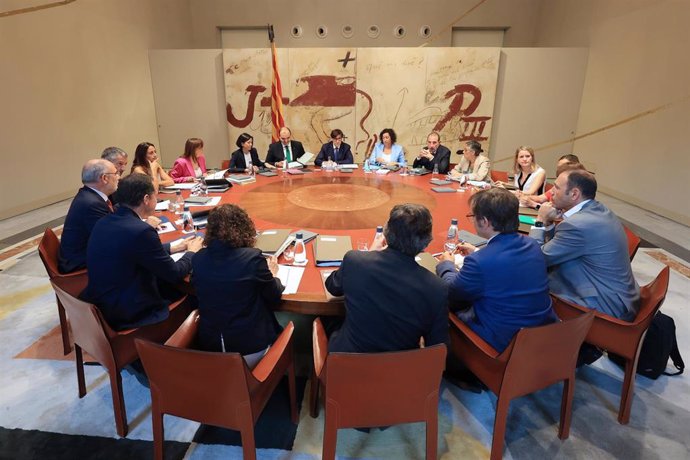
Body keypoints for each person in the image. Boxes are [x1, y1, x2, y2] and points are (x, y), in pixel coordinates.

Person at [436, 188, 556, 352]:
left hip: (503, 347)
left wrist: (447, 264)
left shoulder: (480, 262)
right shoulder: (532, 245)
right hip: (543, 336)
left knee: (440, 306)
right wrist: (478, 252)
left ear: (484, 221)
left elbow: (452, 293)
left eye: (473, 217)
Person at [81, 173, 203, 330]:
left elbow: (132, 250)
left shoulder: (106, 220)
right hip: (129, 312)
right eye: (155, 195)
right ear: (146, 199)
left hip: (104, 302)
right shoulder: (141, 230)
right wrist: (192, 253)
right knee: (195, 295)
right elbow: (174, 273)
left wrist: (173, 247)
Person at [325, 203, 448, 353]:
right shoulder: (437, 287)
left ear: (386, 233)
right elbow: (437, 348)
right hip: (401, 372)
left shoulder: (355, 261)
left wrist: (369, 253)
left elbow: (332, 286)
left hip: (349, 367)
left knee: (329, 324)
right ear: (426, 244)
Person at [530, 169, 640, 321]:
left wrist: (540, 220)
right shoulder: (597, 209)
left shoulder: (578, 225)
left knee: (524, 281)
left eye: (556, 187)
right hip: (619, 295)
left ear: (574, 194)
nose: (551, 192)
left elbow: (536, 258)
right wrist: (549, 223)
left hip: (604, 305)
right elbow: (562, 245)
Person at [191, 204, 284, 368]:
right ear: (244, 228)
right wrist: (272, 274)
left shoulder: (198, 259)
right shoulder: (252, 258)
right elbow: (274, 295)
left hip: (210, 348)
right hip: (250, 349)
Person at [58, 159, 119, 273]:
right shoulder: (92, 204)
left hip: (84, 254)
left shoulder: (89, 195)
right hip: (80, 264)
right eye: (115, 174)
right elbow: (111, 239)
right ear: (104, 178)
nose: (118, 177)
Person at [520, 160, 585, 208]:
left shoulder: (573, 200)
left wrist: (533, 204)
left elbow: (555, 213)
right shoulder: (556, 189)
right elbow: (540, 198)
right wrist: (525, 198)